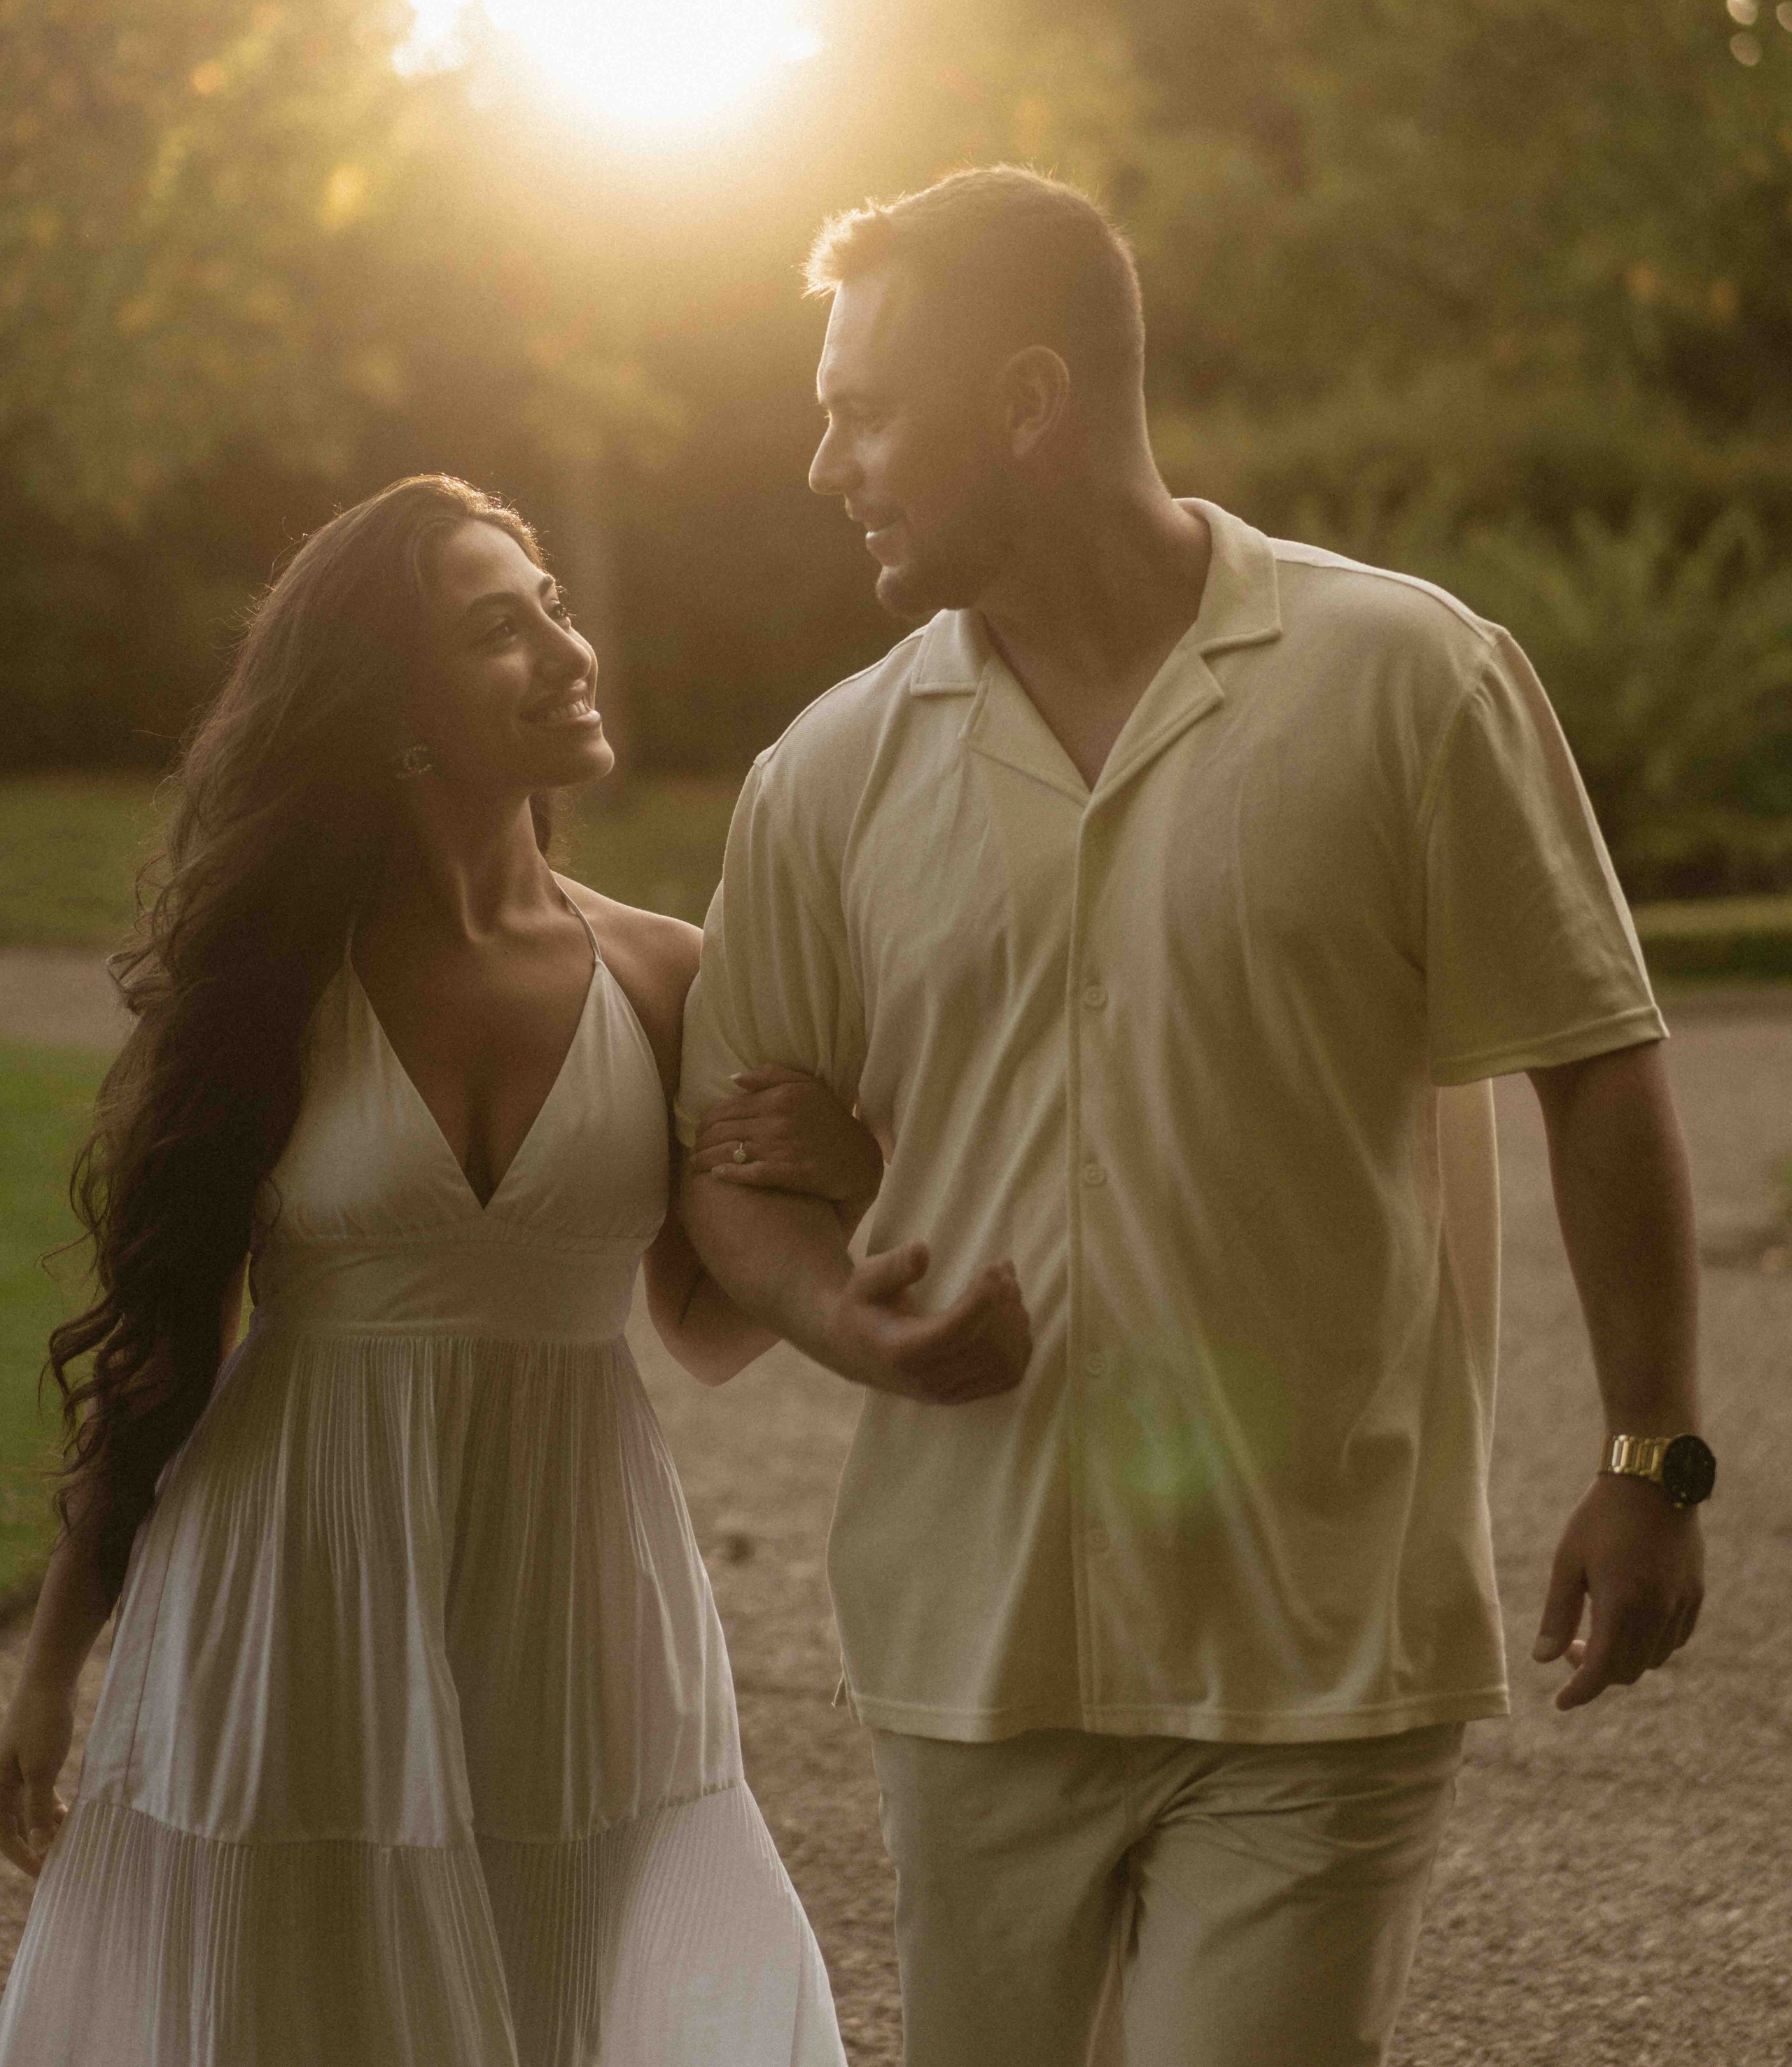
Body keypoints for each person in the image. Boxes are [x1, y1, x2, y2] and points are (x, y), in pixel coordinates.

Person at [676, 167, 1712, 2067]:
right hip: (971, 1649)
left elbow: (1598, 1053)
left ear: (1026, 400)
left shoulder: (1409, 677)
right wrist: (854, 1323)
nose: (828, 463)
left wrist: (1653, 1460)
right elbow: (729, 1176)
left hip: (1321, 1640)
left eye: (865, 409)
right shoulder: (823, 775)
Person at [0, 474, 858, 2067]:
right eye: (495, 629)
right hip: (296, 1569)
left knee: (564, 1986)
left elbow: (705, 1324)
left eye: (553, 605)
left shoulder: (663, 970)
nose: (561, 647)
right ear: (395, 713)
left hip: (574, 1577)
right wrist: (51, 1665)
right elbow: (164, 1335)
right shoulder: (264, 985)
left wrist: (837, 1177)